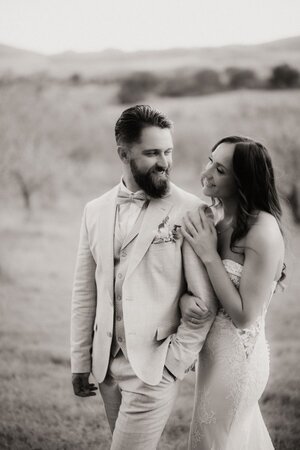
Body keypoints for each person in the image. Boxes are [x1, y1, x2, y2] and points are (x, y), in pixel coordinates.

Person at [70, 105, 217, 449]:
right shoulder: (95, 210)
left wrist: (174, 363)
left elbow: (205, 301)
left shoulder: (191, 209)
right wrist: (81, 360)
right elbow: (84, 290)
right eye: (152, 153)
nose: (164, 161)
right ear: (123, 153)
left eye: (168, 151)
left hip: (154, 367)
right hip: (106, 367)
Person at [180, 136, 285, 450]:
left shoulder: (262, 231)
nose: (207, 172)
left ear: (243, 181)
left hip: (238, 362)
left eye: (220, 169)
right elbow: (201, 285)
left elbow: (243, 315)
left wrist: (209, 255)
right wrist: (186, 300)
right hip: (210, 356)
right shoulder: (215, 220)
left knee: (212, 443)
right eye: (210, 160)